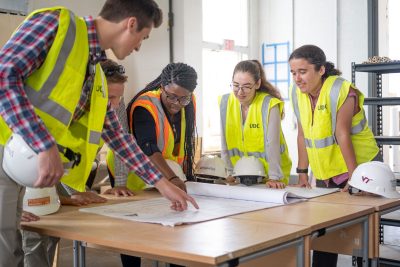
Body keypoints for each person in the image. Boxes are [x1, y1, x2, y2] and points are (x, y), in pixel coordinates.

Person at [0, 1, 198, 266]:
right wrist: (45, 145)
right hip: (7, 149)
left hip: (20, 162)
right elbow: (4, 75)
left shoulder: (95, 74)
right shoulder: (57, 24)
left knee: (10, 252)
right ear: (130, 24)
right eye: (143, 37)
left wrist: (162, 184)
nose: (139, 46)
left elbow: (118, 137)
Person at [21, 58, 128, 267]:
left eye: (119, 98)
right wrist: (75, 192)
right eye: (112, 97)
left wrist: (121, 183)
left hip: (73, 170)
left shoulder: (113, 100)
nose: (115, 105)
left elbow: (122, 141)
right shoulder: (67, 101)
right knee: (34, 233)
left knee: (52, 228)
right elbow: (65, 151)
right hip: (38, 168)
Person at [289, 44, 380, 267]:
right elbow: (302, 134)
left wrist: (355, 178)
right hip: (327, 171)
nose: (297, 78)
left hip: (360, 167)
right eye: (293, 73)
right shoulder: (298, 93)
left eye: (302, 72)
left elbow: (342, 134)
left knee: (361, 236)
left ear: (321, 70)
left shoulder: (342, 90)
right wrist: (302, 173)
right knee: (325, 235)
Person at [106, 62, 197, 267]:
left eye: (183, 98)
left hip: (164, 171)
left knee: (172, 220)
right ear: (162, 86)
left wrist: (178, 177)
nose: (177, 102)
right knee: (131, 228)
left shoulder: (188, 101)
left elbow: (182, 142)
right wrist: (170, 180)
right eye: (172, 96)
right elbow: (146, 147)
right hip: (131, 172)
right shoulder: (144, 105)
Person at [219, 60, 292, 189]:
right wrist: (229, 171)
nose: (240, 92)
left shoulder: (269, 104)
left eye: (247, 86)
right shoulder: (226, 102)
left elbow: (272, 144)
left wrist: (274, 176)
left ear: (257, 84)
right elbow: (224, 142)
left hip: (269, 177)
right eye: (236, 85)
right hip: (240, 175)